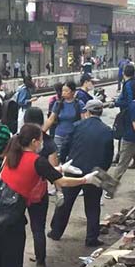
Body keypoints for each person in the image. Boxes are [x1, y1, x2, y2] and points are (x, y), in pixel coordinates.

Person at [0, 124, 99, 267]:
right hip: (13, 215)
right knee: (13, 257)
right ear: (34, 141)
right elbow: (61, 181)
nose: (42, 143)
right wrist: (85, 180)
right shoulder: (38, 161)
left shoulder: (12, 154)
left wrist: (58, 167)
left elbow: (22, 173)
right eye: (40, 140)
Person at [48, 100, 113, 246]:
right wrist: (102, 171)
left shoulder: (77, 126)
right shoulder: (107, 130)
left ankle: (56, 232)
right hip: (95, 173)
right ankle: (91, 238)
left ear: (88, 112)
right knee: (92, 206)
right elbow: (109, 156)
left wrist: (63, 162)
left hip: (74, 169)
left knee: (65, 202)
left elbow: (65, 145)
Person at [21, 107, 60, 267]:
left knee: (17, 227)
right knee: (38, 227)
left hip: (19, 190)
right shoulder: (48, 141)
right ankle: (40, 259)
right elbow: (54, 168)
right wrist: (59, 190)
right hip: (39, 191)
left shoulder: (19, 140)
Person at [42, 80, 82, 162]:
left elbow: (84, 121)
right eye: (63, 90)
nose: (63, 93)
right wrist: (41, 132)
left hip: (73, 136)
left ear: (73, 92)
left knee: (72, 159)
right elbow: (51, 119)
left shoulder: (79, 104)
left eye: (66, 91)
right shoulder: (58, 104)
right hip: (59, 135)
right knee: (57, 158)